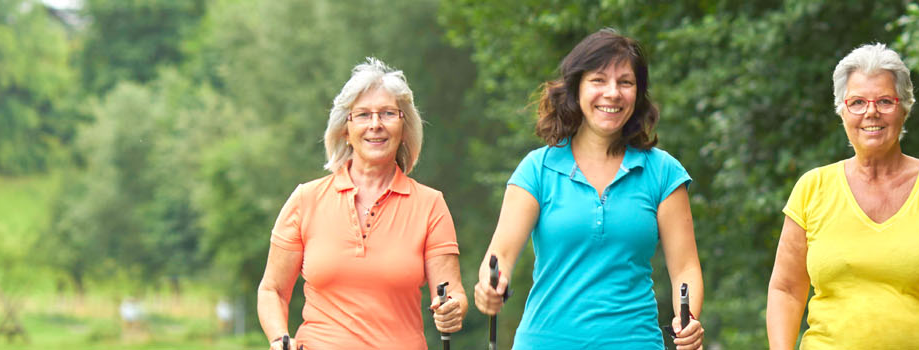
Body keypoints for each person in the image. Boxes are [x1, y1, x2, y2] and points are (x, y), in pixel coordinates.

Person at [471, 29, 705, 350]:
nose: (613, 93)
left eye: (625, 82)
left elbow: (686, 267)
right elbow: (500, 257)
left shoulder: (663, 173)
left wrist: (687, 316)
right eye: (598, 80)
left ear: (638, 94)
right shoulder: (537, 169)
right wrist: (490, 285)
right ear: (576, 88)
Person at [764, 43, 919, 350]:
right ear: (842, 110)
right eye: (857, 102)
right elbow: (787, 289)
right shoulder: (812, 188)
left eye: (885, 101)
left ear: (905, 107)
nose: (871, 112)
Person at [256, 58, 465, 350]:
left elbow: (452, 292)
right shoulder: (306, 199)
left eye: (388, 114)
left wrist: (452, 309)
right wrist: (280, 339)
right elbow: (272, 290)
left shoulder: (430, 204)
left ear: (404, 128)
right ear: (345, 128)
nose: (376, 125)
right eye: (364, 115)